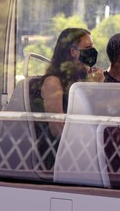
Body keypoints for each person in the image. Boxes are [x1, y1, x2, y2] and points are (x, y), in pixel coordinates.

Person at [35, 28, 104, 169]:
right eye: (88, 47)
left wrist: (96, 87)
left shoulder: (81, 80)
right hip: (59, 154)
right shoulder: (53, 82)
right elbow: (57, 130)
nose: (93, 51)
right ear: (73, 52)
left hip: (84, 148)